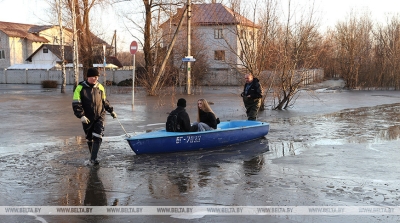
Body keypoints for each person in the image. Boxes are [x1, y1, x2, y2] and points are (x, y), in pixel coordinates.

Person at [72, 68, 117, 165]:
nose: (95, 79)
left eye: (97, 77)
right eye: (93, 77)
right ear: (88, 77)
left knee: (98, 135)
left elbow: (104, 101)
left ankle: (93, 159)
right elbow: (76, 104)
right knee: (89, 138)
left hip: (100, 116)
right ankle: (93, 157)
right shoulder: (80, 88)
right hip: (87, 118)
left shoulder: (100, 87)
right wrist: (81, 115)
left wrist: (111, 110)